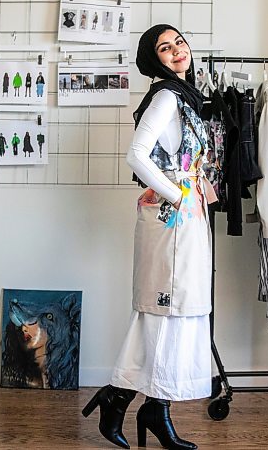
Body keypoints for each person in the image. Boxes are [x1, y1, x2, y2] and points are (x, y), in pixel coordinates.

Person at [82, 24, 215, 449]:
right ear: (153, 59)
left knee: (182, 310)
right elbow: (136, 155)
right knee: (165, 310)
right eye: (165, 47)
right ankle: (118, 399)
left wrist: (193, 192)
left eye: (178, 42)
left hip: (186, 215)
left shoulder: (185, 95)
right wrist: (178, 194)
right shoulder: (165, 96)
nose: (177, 51)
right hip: (171, 218)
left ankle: (156, 410)